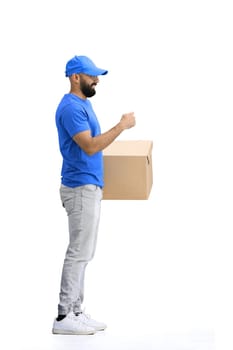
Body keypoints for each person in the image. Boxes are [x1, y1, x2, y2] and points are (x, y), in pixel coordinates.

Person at [52, 55, 136, 335]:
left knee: (85, 253)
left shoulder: (83, 105)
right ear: (75, 77)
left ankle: (76, 310)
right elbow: (89, 146)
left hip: (88, 186)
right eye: (91, 75)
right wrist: (120, 127)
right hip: (79, 188)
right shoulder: (71, 108)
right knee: (78, 253)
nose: (97, 80)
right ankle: (64, 317)